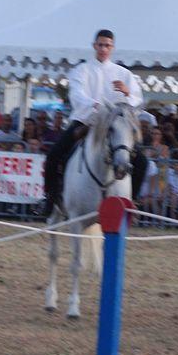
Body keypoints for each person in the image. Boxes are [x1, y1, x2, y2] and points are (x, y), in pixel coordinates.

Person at [43, 29, 146, 216]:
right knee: (54, 155)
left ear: (112, 48)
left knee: (142, 162)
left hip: (115, 126)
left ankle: (133, 202)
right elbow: (76, 95)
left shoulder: (124, 74)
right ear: (94, 46)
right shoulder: (81, 70)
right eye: (100, 45)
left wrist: (127, 93)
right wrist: (95, 105)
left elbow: (138, 101)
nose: (103, 48)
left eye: (107, 45)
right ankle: (50, 198)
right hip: (87, 121)